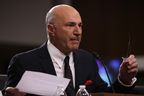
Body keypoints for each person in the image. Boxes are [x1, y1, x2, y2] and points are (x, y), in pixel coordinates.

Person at [3, 4, 138, 96]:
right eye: (70, 25)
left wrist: (124, 79)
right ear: (51, 29)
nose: (78, 32)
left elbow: (107, 94)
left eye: (80, 26)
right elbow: (10, 92)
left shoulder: (87, 60)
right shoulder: (24, 62)